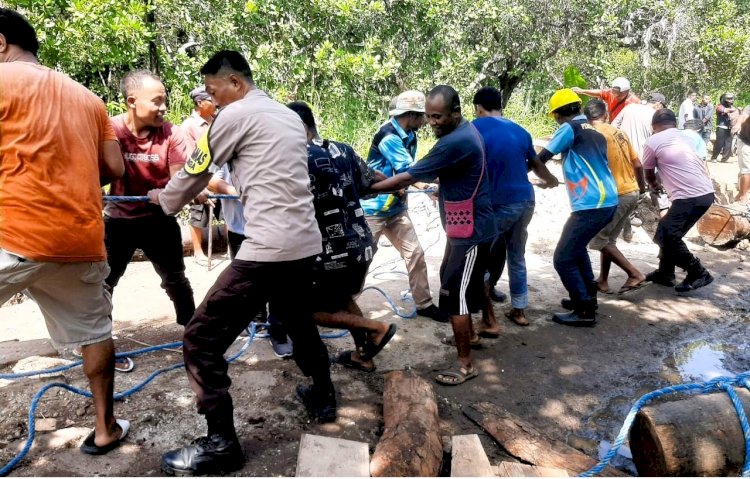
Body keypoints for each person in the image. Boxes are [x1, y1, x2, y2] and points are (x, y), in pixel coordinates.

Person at [148, 50, 336, 475]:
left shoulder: (233, 116)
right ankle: (323, 395)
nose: (211, 101)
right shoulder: (288, 115)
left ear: (234, 82)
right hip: (304, 242)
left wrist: (164, 200)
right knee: (296, 318)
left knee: (200, 338)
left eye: (214, 91)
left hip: (267, 247)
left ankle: (221, 444)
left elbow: (196, 169)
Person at [0, 8, 128, 455]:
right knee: (95, 332)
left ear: (0, 43)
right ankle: (106, 427)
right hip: (79, 239)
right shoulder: (90, 99)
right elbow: (114, 167)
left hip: (11, 234)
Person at [371, 85, 497, 386]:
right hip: (464, 227)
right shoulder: (465, 132)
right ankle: (473, 333)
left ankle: (466, 364)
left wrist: (369, 187)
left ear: (456, 112)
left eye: (438, 116)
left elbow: (409, 175)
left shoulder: (454, 142)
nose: (432, 123)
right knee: (458, 280)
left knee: (455, 295)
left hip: (472, 232)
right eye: (428, 117)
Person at [287, 101, 397, 372]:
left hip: (328, 252)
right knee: (343, 299)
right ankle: (364, 355)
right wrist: (399, 184)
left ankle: (376, 328)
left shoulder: (295, 158)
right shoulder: (342, 149)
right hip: (360, 245)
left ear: (300, 127)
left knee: (305, 311)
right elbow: (369, 181)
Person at [105, 70, 196, 333]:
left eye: (164, 100)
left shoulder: (172, 134)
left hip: (159, 220)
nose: (164, 107)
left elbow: (178, 183)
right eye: (157, 101)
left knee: (175, 280)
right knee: (105, 282)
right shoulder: (110, 130)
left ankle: (193, 330)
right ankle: (98, 338)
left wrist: (168, 194)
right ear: (132, 102)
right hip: (118, 220)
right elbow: (93, 172)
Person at [471, 86, 559, 329]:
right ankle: (519, 310)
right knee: (517, 256)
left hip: (498, 203)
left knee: (479, 258)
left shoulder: (474, 128)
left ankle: (487, 317)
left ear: (478, 108)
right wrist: (551, 181)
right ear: (501, 106)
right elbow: (536, 163)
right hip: (525, 201)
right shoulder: (520, 131)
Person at [360, 90, 449, 323]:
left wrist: (427, 185)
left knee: (415, 254)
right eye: (423, 116)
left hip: (396, 208)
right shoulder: (389, 136)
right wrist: (428, 186)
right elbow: (406, 171)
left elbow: (411, 172)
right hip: (374, 211)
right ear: (411, 115)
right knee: (361, 261)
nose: (427, 121)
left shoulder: (409, 134)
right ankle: (341, 306)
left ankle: (424, 304)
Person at [537, 89, 618, 327]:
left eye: (555, 117)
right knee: (577, 248)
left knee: (562, 258)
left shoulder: (569, 128)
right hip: (607, 200)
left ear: (559, 114)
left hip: (591, 204)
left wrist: (521, 175)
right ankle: (586, 298)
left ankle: (584, 311)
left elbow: (541, 157)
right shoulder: (596, 131)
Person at [642, 109, 715, 292]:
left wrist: (654, 186)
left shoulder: (652, 141)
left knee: (665, 235)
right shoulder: (685, 137)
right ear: (674, 124)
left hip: (688, 197)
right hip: (705, 193)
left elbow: (649, 173)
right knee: (670, 233)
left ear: (653, 126)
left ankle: (698, 272)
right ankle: (665, 274)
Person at [583, 99, 647, 294]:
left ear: (587, 117)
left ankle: (635, 273)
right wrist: (641, 189)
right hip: (631, 191)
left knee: (598, 239)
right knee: (609, 240)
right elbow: (637, 164)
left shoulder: (592, 134)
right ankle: (603, 280)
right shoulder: (619, 133)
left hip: (615, 194)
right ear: (606, 115)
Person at [182, 86, 219, 266]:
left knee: (228, 209)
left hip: (220, 172)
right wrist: (198, 185)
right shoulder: (189, 126)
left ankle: (230, 247)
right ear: (199, 103)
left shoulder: (218, 120)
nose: (215, 102)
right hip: (200, 175)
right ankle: (198, 252)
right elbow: (189, 158)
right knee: (198, 213)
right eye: (211, 99)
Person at [572, 77, 641, 121]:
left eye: (620, 95)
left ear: (627, 91)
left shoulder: (635, 102)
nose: (616, 97)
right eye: (615, 94)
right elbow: (599, 93)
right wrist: (582, 91)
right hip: (612, 125)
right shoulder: (610, 93)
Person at [711, 93, 738, 162]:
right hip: (721, 127)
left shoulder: (732, 107)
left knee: (728, 144)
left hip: (729, 128)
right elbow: (725, 110)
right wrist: (735, 110)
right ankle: (714, 157)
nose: (731, 100)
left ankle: (724, 159)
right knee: (719, 143)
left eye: (731, 99)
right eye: (729, 99)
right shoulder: (719, 106)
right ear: (724, 99)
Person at [735, 107, 750, 203]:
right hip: (746, 141)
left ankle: (742, 193)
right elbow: (743, 116)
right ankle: (743, 196)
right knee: (746, 170)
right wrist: (737, 124)